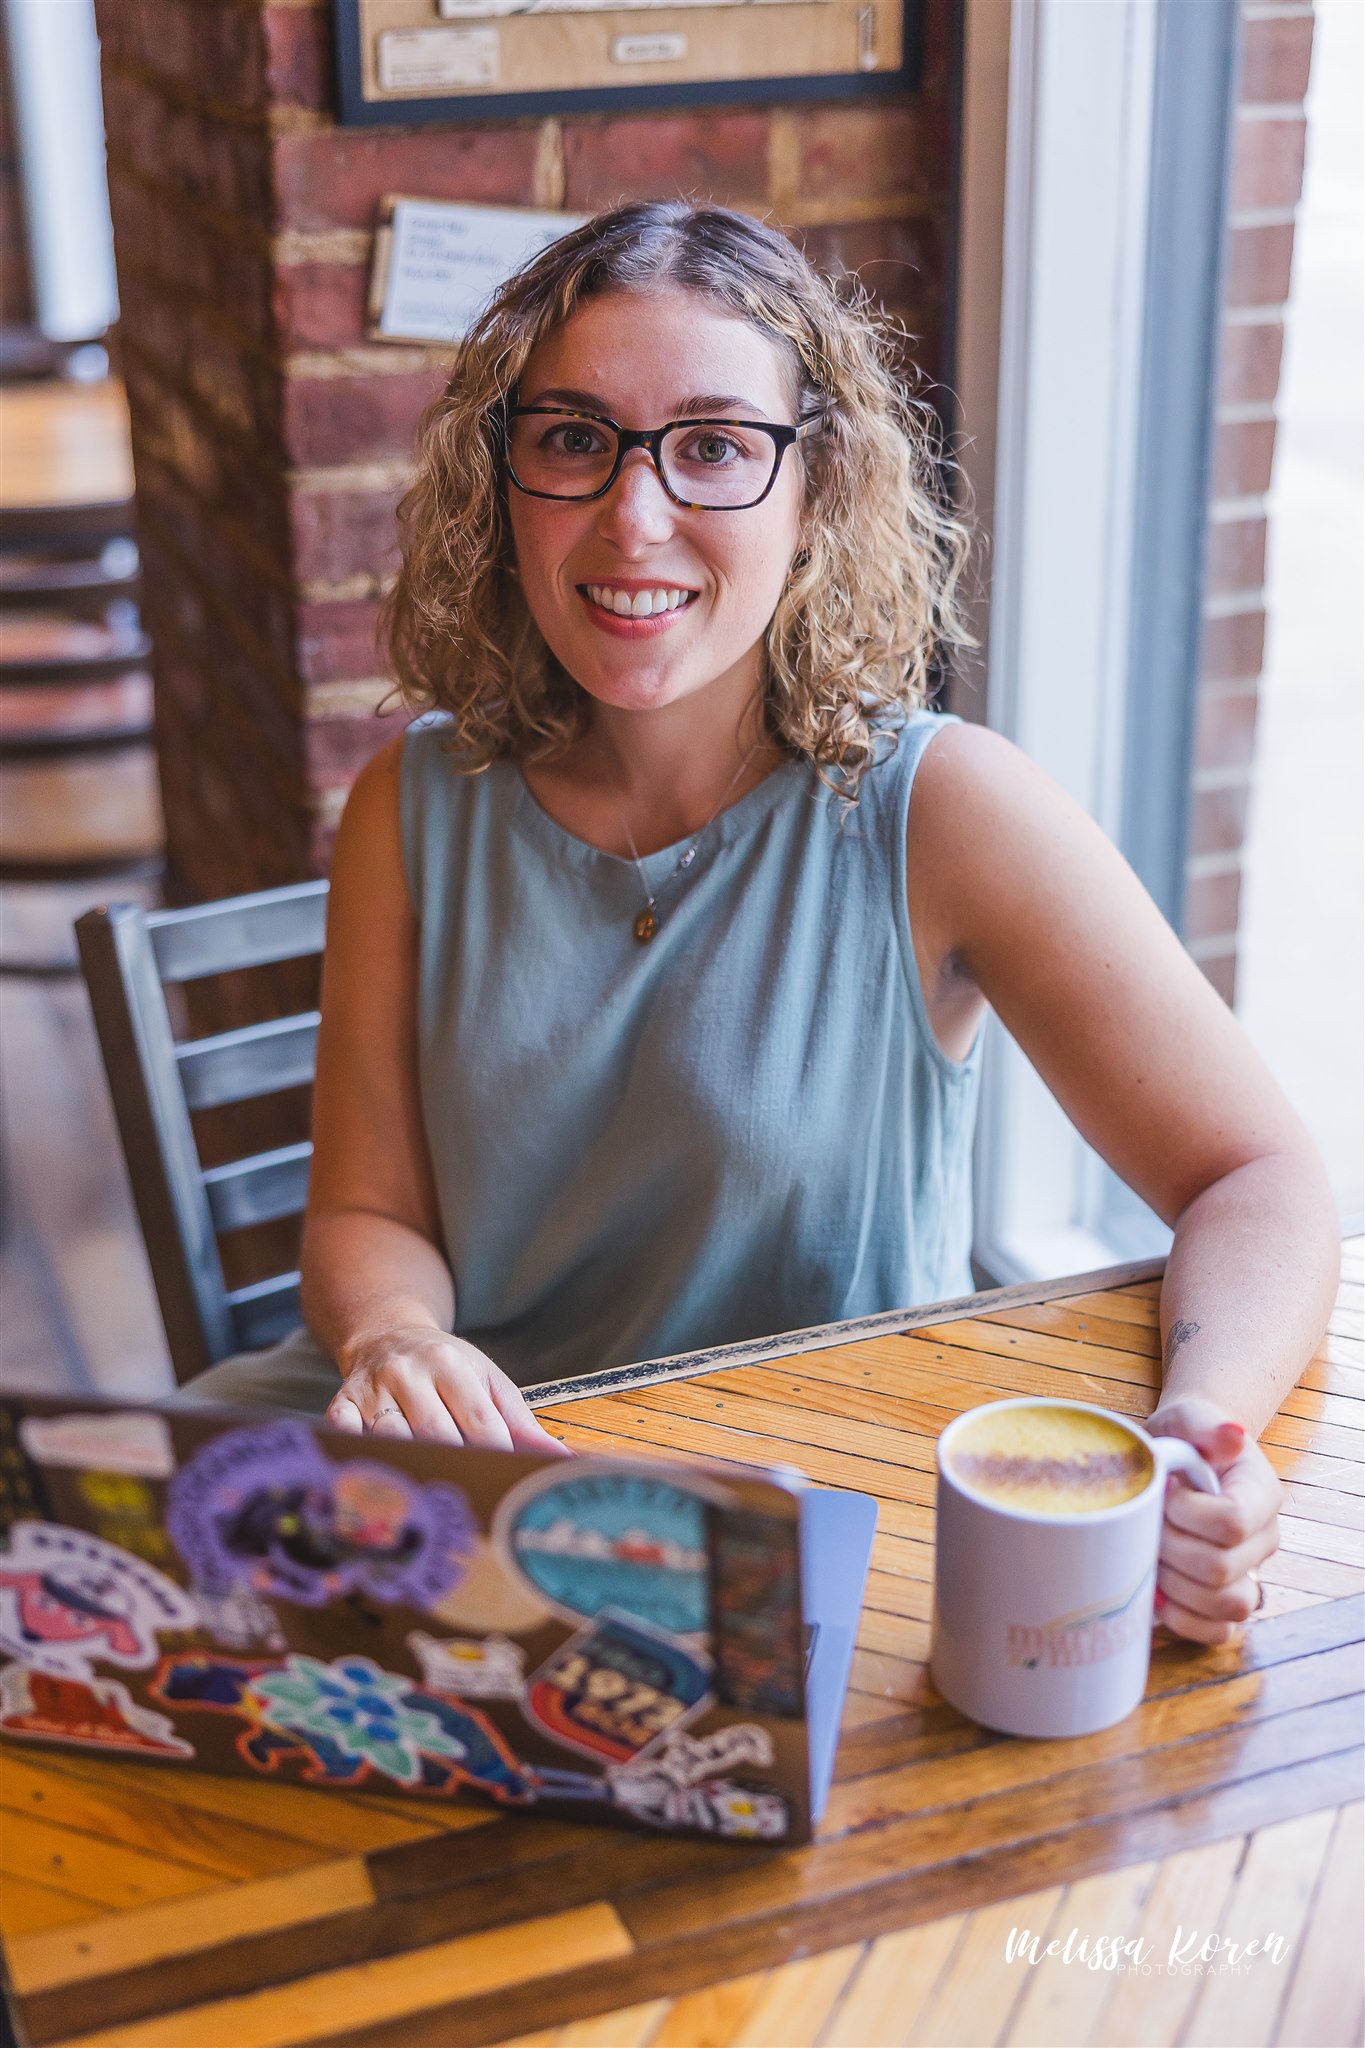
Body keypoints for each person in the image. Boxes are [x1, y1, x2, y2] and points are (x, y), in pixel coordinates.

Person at [184, 201, 1340, 1647]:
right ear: (503, 482)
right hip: (475, 1502)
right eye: (572, 438)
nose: (635, 515)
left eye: (715, 445)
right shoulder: (409, 803)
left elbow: (1259, 1176)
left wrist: (1197, 1436)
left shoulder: (943, 810)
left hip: (803, 1523)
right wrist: (398, 1338)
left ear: (816, 490)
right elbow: (368, 1215)